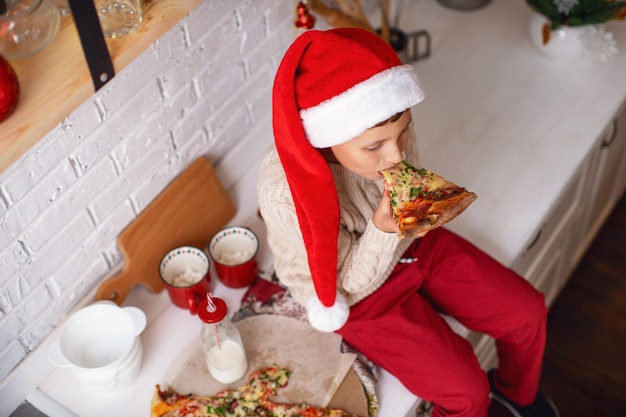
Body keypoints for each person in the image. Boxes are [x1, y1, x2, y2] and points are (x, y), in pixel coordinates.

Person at [257, 27, 559, 417]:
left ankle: (517, 395)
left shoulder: (389, 136)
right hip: (353, 297)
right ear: (327, 137)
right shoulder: (286, 194)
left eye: (402, 134)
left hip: (411, 244)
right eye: (375, 147)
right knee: (465, 393)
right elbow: (342, 284)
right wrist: (383, 231)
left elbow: (403, 170)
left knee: (527, 311)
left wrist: (415, 213)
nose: (396, 155)